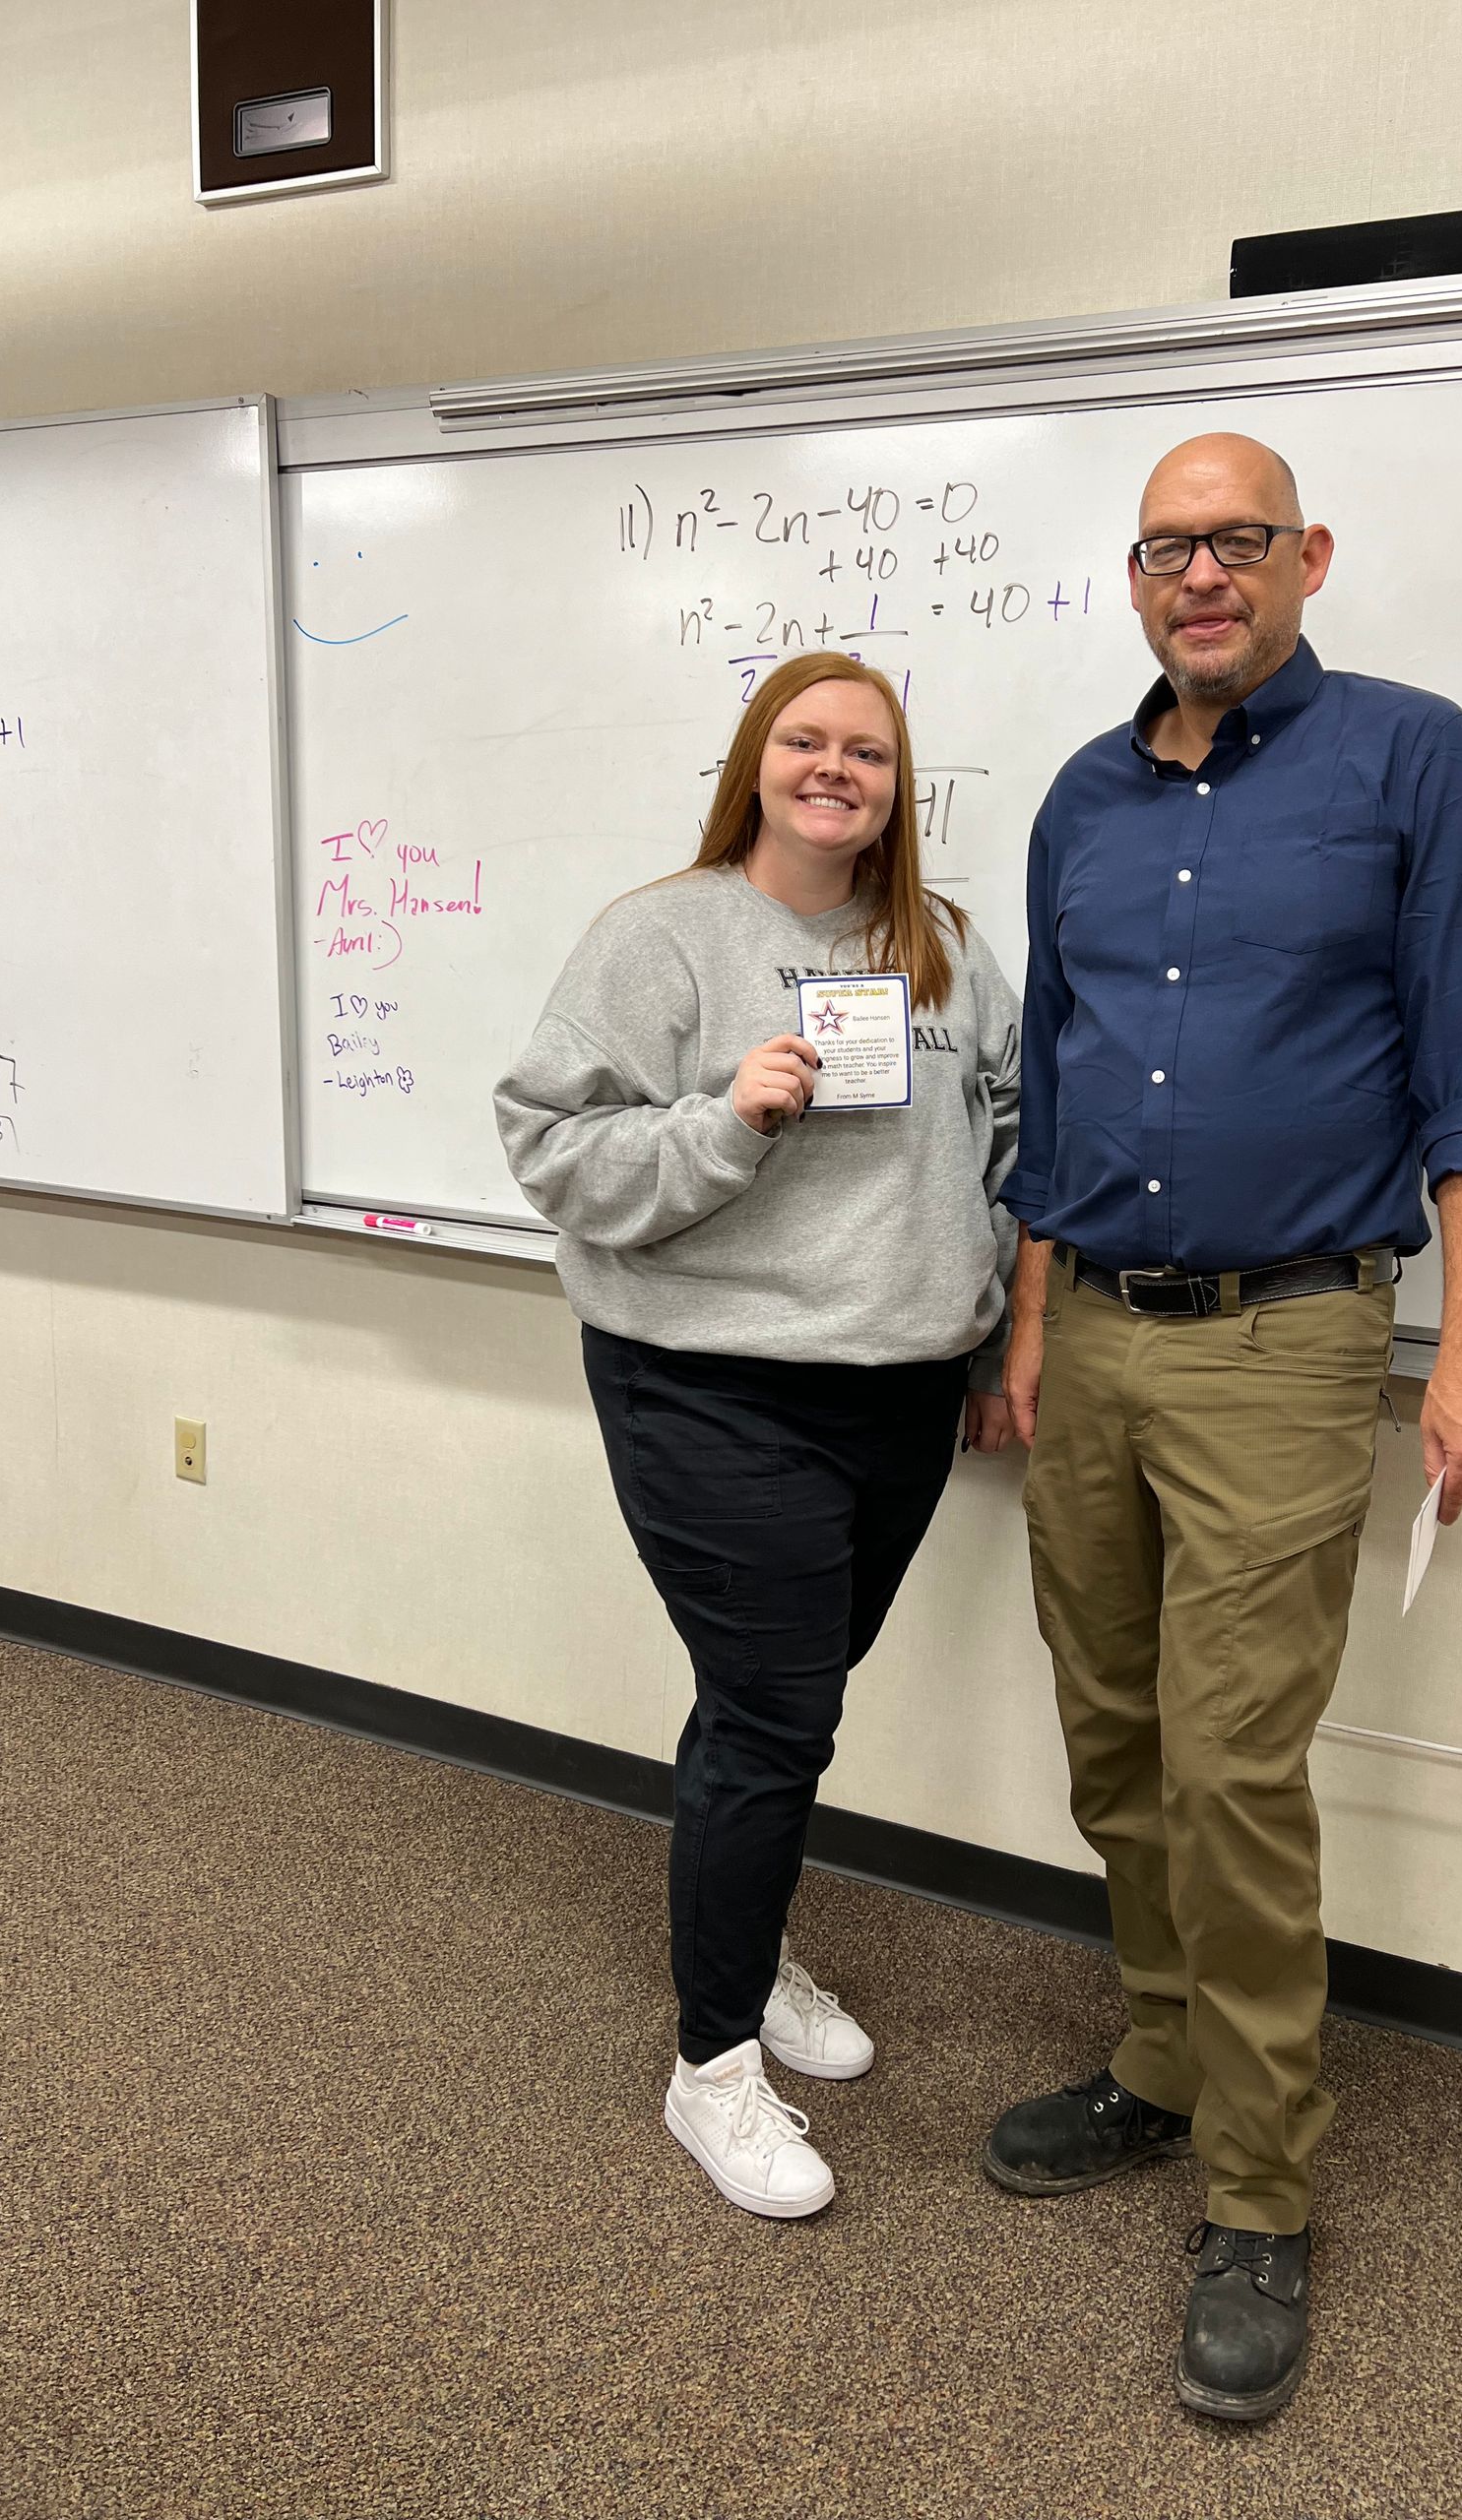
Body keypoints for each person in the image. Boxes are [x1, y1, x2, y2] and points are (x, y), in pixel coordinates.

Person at [984, 434, 1462, 2421]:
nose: (1202, 574)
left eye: (1239, 540)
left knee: (1233, 1762)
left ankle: (1261, 2183)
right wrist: (1034, 1320)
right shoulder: (1083, 795)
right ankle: (1159, 2061)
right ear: (1132, 580)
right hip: (1100, 1338)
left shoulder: (1413, 760)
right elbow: (1056, 1088)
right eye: (1169, 546)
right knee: (1115, 1730)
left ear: (1306, 557)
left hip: (1289, 1339)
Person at [495, 652, 1021, 2220]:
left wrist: (990, 1332)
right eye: (804, 740)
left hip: (899, 1390)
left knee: (776, 1706)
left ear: (896, 784)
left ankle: (751, 1929)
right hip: (711, 1388)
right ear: (755, 760)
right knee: (778, 1716)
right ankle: (712, 2061)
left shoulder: (940, 948)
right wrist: (728, 1121)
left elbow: (1006, 1133)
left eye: (867, 749)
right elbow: (550, 1141)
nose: (834, 767)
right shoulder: (662, 934)